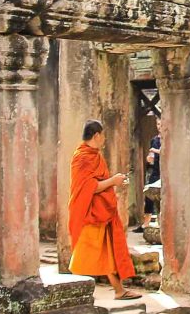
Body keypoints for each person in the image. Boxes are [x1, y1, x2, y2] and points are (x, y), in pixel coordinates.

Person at [69, 119, 139, 299]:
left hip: (102, 212)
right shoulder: (82, 157)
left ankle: (119, 290)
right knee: (83, 254)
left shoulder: (96, 155)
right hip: (90, 213)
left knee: (107, 251)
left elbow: (100, 183)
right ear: (96, 135)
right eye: (103, 135)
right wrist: (112, 181)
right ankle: (71, 293)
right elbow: (88, 187)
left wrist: (116, 182)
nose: (105, 139)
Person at [136, 134, 161, 231]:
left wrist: (155, 150)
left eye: (160, 124)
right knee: (149, 196)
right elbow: (150, 157)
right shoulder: (154, 140)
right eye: (157, 124)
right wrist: (149, 159)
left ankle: (161, 224)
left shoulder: (169, 138)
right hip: (155, 171)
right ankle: (146, 224)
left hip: (166, 172)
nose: (159, 126)